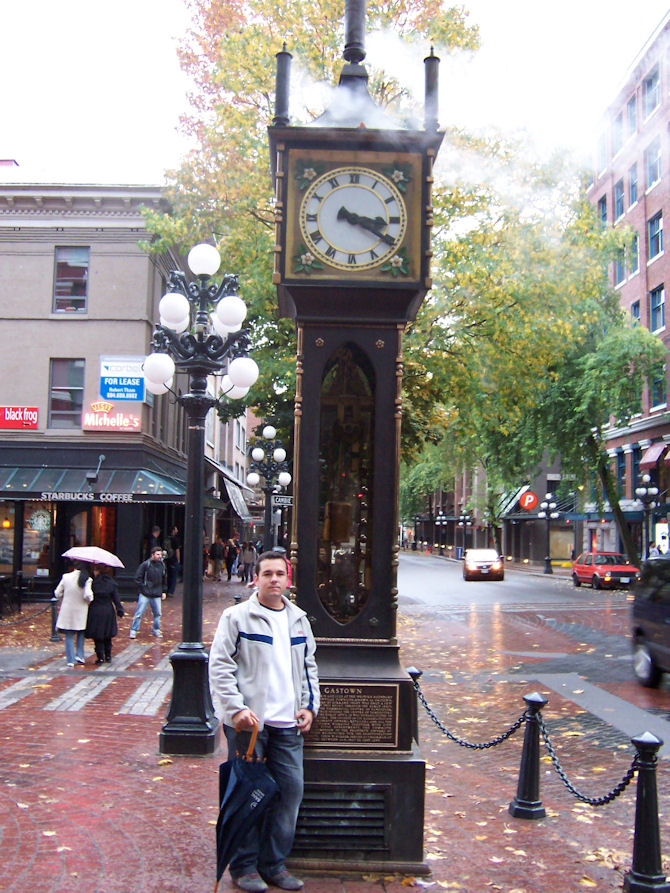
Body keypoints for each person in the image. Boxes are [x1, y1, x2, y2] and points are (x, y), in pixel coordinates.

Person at [209, 551, 320, 893]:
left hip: (288, 725)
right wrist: (236, 709)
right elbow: (220, 666)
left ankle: (273, 864)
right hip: (250, 726)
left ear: (288, 580)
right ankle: (243, 867)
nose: (274, 579)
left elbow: (309, 668)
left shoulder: (299, 620)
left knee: (289, 794)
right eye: (267, 573)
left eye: (280, 574)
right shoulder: (237, 617)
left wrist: (309, 707)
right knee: (248, 795)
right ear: (255, 578)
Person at [54, 561, 93, 667]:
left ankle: (70, 660)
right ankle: (80, 655)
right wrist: (90, 600)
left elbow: (57, 593)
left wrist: (64, 597)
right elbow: (88, 595)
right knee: (80, 633)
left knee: (69, 635)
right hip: (81, 610)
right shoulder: (87, 580)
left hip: (67, 609)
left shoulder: (66, 577)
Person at [85, 565, 124, 664]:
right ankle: (108, 655)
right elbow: (116, 598)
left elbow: (88, 596)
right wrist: (119, 609)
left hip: (96, 610)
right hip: (107, 610)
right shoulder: (111, 583)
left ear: (97, 571)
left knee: (98, 635)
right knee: (107, 634)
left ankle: (100, 657)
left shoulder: (92, 583)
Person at [130, 547, 167, 638]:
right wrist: (143, 588)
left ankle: (156, 630)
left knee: (158, 613)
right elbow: (137, 578)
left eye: (160, 554)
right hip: (146, 593)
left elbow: (164, 579)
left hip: (156, 593)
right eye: (157, 554)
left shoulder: (162, 565)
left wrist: (164, 591)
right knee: (139, 613)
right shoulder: (146, 565)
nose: (159, 556)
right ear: (152, 555)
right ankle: (134, 630)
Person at [163, 525, 181, 596]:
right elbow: (177, 550)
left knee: (169, 574)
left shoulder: (166, 538)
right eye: (176, 529)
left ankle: (167, 590)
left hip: (168, 559)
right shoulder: (175, 539)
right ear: (173, 530)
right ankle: (171, 591)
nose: (177, 530)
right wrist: (178, 559)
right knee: (174, 575)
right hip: (173, 559)